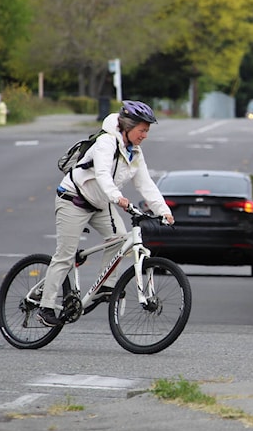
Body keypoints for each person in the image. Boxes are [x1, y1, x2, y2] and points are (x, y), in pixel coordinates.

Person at [38, 101, 174, 327]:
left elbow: (146, 184)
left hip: (100, 203)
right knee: (65, 255)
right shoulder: (106, 142)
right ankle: (46, 306)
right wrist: (116, 197)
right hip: (74, 199)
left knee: (120, 239)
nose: (145, 136)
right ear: (128, 127)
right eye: (142, 130)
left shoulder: (135, 153)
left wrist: (164, 212)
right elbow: (102, 174)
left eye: (147, 131)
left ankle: (104, 287)